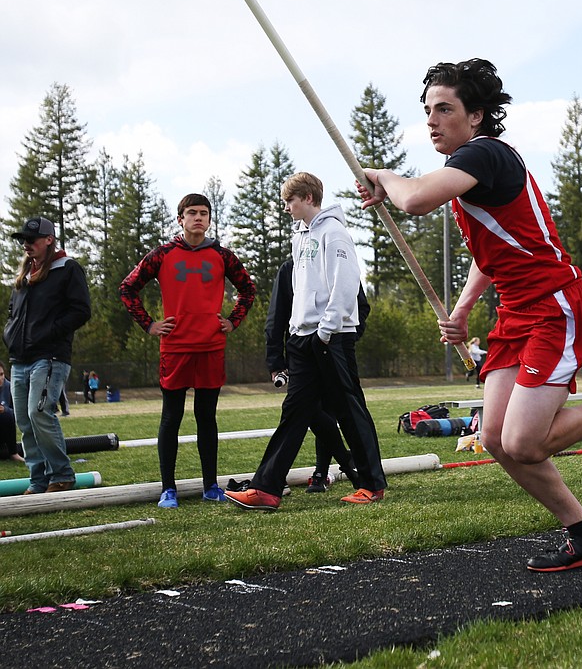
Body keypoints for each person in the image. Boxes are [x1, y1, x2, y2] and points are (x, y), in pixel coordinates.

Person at [357, 58, 582, 572]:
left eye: (444, 109)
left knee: (524, 441)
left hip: (554, 306)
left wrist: (382, 176)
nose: (432, 120)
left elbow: (413, 200)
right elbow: (492, 254)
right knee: (496, 440)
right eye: (428, 111)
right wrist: (461, 310)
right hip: (516, 314)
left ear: (476, 115)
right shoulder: (470, 171)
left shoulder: (486, 155)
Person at [226, 173, 387, 511]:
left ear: (309, 197)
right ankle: (266, 489)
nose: (286, 207)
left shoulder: (334, 232)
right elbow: (300, 291)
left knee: (348, 409)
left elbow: (345, 285)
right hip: (301, 339)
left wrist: (326, 331)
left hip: (330, 337)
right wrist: (296, 332)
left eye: (290, 201)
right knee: (294, 412)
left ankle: (372, 484)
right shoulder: (299, 237)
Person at [120, 194, 256, 508]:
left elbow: (248, 289)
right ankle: (168, 489)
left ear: (209, 220)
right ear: (180, 218)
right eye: (191, 213)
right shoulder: (162, 254)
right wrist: (149, 324)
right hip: (176, 347)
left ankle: (211, 485)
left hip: (211, 346)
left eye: (203, 213)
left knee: (206, 418)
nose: (198, 218)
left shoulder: (222, 255)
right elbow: (127, 288)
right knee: (171, 417)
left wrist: (233, 322)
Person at [4, 217, 91, 492]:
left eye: (32, 239)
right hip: (20, 358)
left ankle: (62, 475)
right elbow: (13, 313)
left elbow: (81, 310)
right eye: (23, 241)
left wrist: (50, 332)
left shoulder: (67, 269)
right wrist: (10, 335)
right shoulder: (23, 277)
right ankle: (39, 479)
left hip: (50, 356)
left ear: (49, 240)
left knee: (39, 412)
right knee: (24, 420)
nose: (27, 245)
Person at [264, 257, 364, 494]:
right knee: (307, 412)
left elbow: (361, 308)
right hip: (301, 354)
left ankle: (324, 472)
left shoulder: (340, 263)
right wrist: (276, 361)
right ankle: (344, 465)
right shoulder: (290, 268)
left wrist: (344, 341)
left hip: (334, 351)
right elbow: (276, 316)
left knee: (333, 411)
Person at [1, 362, 26, 463]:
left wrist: (5, 410)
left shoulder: (10, 387)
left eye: (1, 374)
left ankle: (13, 453)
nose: (0, 378)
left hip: (3, 431)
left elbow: (18, 412)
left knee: (8, 414)